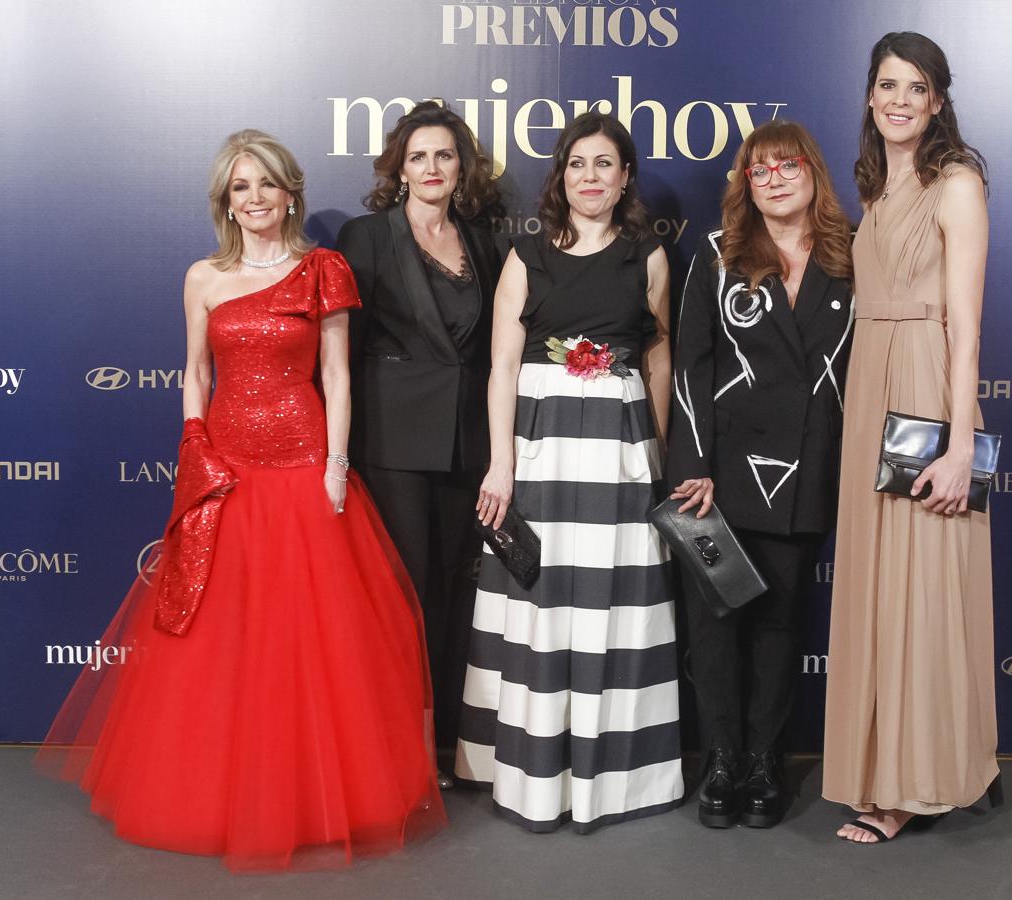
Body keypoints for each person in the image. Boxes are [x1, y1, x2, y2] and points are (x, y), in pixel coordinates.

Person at [38, 130, 444, 871]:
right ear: (226, 202)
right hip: (224, 469)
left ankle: (310, 794)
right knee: (217, 639)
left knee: (307, 644)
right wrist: (195, 442)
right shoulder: (203, 277)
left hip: (301, 466)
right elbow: (195, 372)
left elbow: (338, 376)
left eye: (265, 184)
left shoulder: (323, 269)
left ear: (291, 191)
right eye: (239, 188)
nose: (253, 199)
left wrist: (334, 463)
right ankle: (216, 791)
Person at [454, 112, 684, 832]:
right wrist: (502, 465)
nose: (591, 176)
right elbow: (500, 367)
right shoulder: (527, 255)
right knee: (543, 605)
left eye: (606, 164)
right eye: (579, 163)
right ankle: (527, 768)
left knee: (610, 605)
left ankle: (612, 774)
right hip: (542, 454)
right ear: (562, 176)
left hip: (618, 459)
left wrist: (660, 461)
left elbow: (657, 362)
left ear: (625, 180)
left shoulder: (647, 256)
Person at [822, 31, 1001, 843]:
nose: (899, 99)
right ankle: (887, 766)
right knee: (877, 586)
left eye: (916, 87)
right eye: (887, 84)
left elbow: (966, 327)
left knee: (924, 586)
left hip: (927, 387)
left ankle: (916, 781)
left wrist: (961, 445)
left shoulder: (957, 184)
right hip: (871, 388)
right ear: (870, 95)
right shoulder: (875, 187)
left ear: (937, 102)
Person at [666, 121, 854, 829]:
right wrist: (693, 467)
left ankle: (766, 763)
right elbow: (691, 364)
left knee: (780, 624)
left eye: (786, 165)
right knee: (717, 624)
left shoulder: (854, 257)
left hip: (808, 472)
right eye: (758, 170)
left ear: (813, 172)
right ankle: (721, 760)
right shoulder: (716, 258)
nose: (774, 178)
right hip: (720, 481)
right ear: (746, 185)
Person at [337, 102, 506, 787]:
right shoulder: (365, 237)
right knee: (401, 595)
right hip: (393, 439)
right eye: (418, 157)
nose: (432, 168)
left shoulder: (485, 242)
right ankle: (394, 748)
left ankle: (444, 745)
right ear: (398, 169)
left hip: (466, 444)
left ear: (460, 166)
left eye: (443, 155)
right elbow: (339, 352)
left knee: (454, 599)